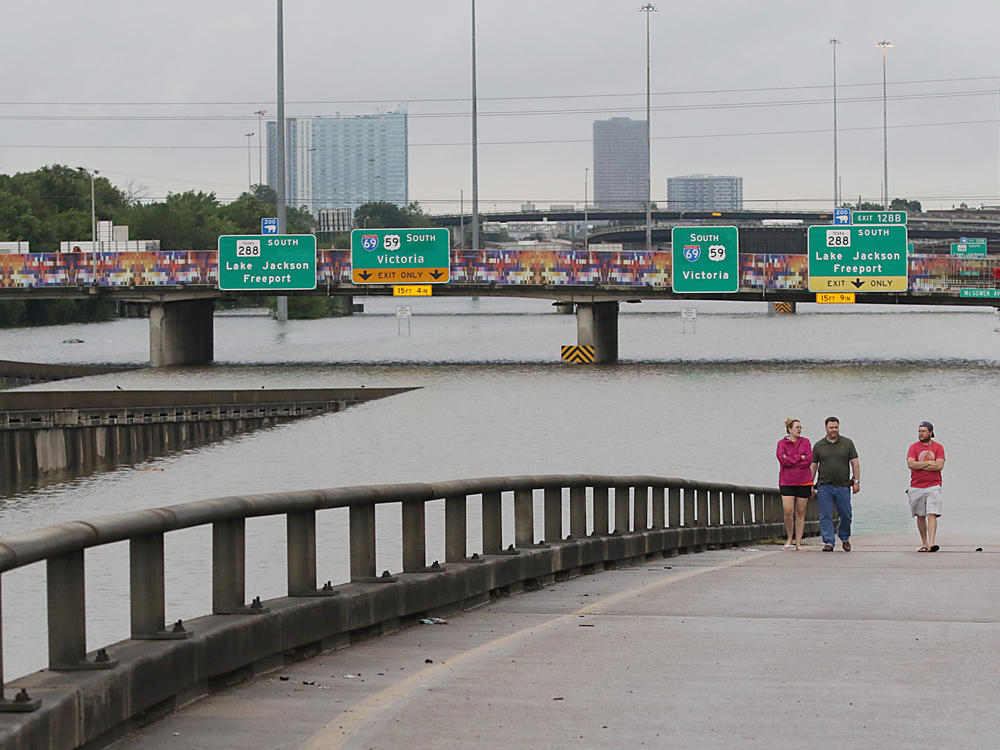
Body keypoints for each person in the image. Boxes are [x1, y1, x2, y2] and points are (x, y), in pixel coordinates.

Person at [810, 416, 860, 552]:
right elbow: (813, 465)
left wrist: (856, 481)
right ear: (826, 428)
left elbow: (855, 462)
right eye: (831, 427)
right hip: (824, 485)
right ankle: (828, 542)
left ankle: (844, 537)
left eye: (836, 427)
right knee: (825, 514)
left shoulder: (847, 443)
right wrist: (810, 483)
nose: (834, 430)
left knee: (846, 514)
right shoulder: (819, 445)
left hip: (843, 485)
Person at [906, 421, 945, 552]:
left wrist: (920, 464)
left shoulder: (938, 447)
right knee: (920, 515)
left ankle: (932, 543)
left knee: (932, 514)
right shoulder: (914, 447)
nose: (920, 434)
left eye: (923, 431)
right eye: (919, 431)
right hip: (916, 486)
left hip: (933, 486)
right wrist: (930, 464)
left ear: (930, 432)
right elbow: (911, 464)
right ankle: (924, 543)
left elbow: (939, 465)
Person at [776, 418, 813, 549]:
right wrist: (799, 457)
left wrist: (792, 459)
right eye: (796, 427)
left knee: (800, 512)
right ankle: (789, 538)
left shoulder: (806, 442)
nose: (799, 429)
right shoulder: (782, 443)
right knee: (788, 511)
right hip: (787, 481)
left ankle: (798, 542)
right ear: (789, 429)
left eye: (800, 427)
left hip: (804, 481)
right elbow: (783, 461)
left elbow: (808, 460)